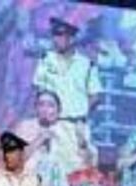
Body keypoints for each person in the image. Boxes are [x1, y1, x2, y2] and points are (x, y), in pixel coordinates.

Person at [33, 17, 101, 155]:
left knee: (77, 163)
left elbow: (95, 96)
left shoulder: (86, 64)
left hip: (76, 127)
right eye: (54, 34)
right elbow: (39, 89)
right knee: (47, 162)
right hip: (50, 125)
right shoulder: (45, 60)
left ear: (71, 38)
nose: (56, 39)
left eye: (60, 35)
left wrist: (81, 115)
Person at [14, 90, 97, 186]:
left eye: (50, 105)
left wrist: (82, 141)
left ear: (58, 111)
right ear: (35, 108)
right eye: (41, 105)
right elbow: (15, 161)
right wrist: (40, 139)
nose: (45, 109)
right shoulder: (25, 127)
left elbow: (89, 164)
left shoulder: (70, 130)